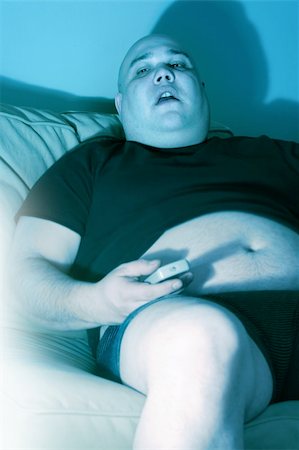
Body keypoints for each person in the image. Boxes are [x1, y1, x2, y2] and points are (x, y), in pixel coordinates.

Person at [9, 34, 299, 450]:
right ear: (121, 104)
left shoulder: (278, 155)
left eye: (180, 65)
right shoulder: (91, 164)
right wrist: (98, 302)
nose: (165, 72)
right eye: (142, 70)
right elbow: (24, 272)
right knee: (200, 338)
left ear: (201, 90)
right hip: (174, 319)